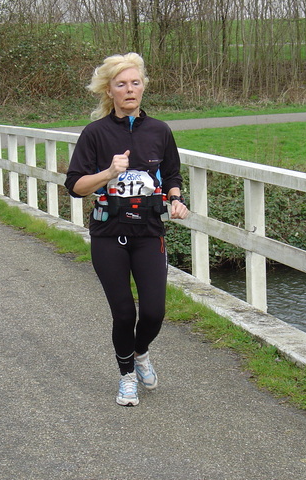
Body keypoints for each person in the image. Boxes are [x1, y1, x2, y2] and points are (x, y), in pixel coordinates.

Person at [65, 53, 189, 407]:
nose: (130, 89)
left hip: (150, 233)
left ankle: (140, 352)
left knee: (154, 312)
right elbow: (74, 186)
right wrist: (107, 173)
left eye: (135, 83)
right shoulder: (95, 134)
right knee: (124, 313)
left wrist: (176, 199)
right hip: (109, 236)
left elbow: (173, 175)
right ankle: (126, 378)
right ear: (110, 90)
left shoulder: (159, 131)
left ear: (143, 87)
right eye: (121, 84)